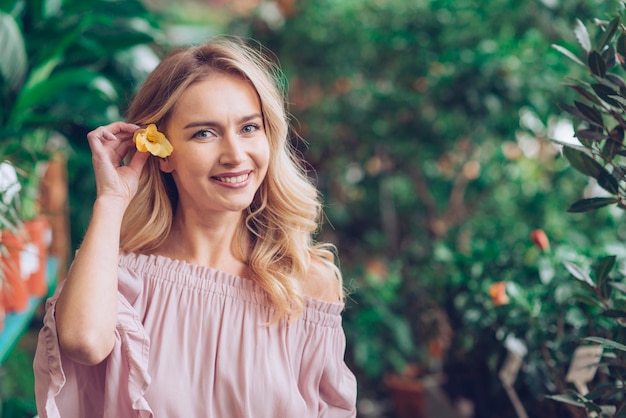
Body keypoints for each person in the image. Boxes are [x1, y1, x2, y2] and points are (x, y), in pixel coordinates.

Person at [33, 36, 357, 417]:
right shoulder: (119, 281)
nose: (235, 155)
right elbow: (83, 342)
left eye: (249, 128)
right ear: (162, 152)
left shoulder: (306, 282)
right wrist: (112, 200)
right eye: (204, 133)